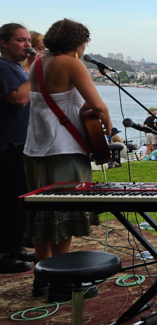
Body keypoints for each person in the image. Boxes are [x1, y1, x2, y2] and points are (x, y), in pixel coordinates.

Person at [24, 19, 112, 275]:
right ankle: (61, 278)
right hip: (63, 149)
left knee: (42, 214)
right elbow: (98, 105)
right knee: (64, 213)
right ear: (78, 43)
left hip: (35, 148)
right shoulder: (72, 62)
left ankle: (42, 275)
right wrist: (107, 125)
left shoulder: (38, 62)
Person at [0, 23, 35, 273]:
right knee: (9, 201)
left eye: (28, 40)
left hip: (19, 142)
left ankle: (15, 245)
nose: (28, 45)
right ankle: (5, 253)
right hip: (8, 145)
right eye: (21, 40)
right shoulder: (3, 67)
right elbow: (20, 98)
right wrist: (38, 72)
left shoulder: (17, 68)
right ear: (4, 43)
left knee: (18, 200)